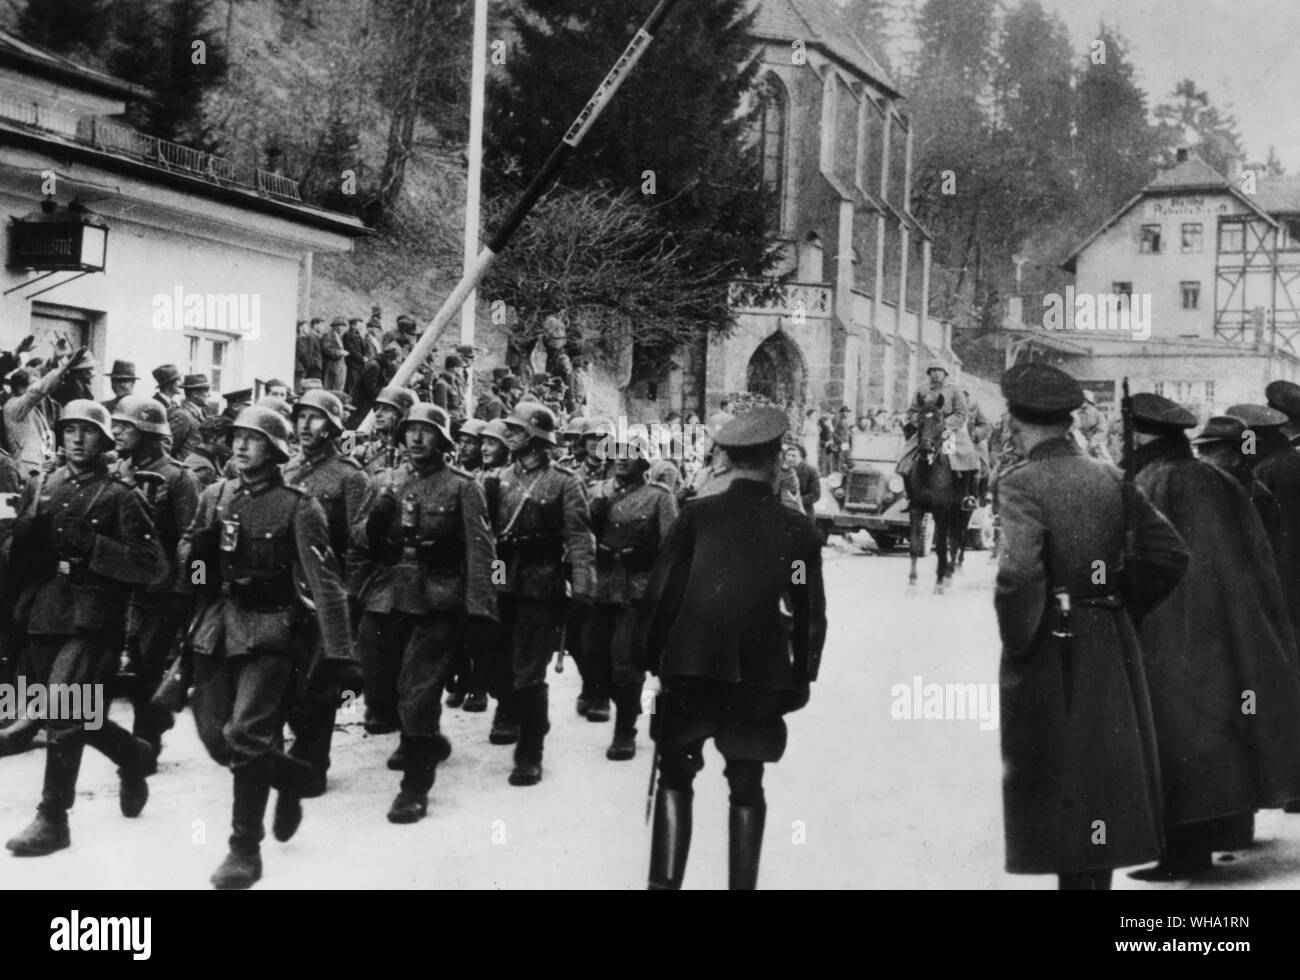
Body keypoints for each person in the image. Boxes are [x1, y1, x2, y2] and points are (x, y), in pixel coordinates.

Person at [993, 366, 1189, 890]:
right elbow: (1169, 554)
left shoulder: (1020, 484)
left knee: (1058, 780)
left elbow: (1017, 574)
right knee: (1098, 778)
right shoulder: (1110, 475)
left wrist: (1018, 641)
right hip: (1109, 639)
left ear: (1018, 424)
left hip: (1051, 643)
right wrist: (1118, 604)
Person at [635, 407, 825, 889]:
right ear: (776, 463)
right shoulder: (797, 531)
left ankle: (664, 885)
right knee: (747, 782)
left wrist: (647, 659)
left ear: (727, 460)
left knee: (675, 776)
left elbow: (662, 594)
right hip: (759, 675)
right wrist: (801, 676)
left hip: (688, 669)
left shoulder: (696, 516)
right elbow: (807, 612)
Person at [1125, 392, 1300, 879]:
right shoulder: (1217, 480)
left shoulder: (1151, 482)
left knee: (1177, 737)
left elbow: (1141, 561)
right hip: (1230, 627)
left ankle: (1180, 855)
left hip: (1172, 632)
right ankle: (1220, 832)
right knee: (1221, 732)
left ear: (1142, 435)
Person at [179, 405, 353, 889]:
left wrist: (341, 654)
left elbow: (327, 584)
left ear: (274, 450)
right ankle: (295, 778)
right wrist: (199, 559)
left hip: (272, 632)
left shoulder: (298, 505)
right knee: (216, 737)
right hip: (217, 627)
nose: (239, 446)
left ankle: (244, 849)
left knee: (246, 736)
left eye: (251, 439)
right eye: (235, 437)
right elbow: (189, 566)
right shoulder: (214, 495)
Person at [4, 400, 168, 857]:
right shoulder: (44, 482)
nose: (77, 439)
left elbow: (153, 566)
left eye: (88, 431)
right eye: (69, 430)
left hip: (92, 618)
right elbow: (20, 554)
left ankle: (53, 818)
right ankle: (133, 756)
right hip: (44, 612)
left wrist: (94, 544)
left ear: (105, 440)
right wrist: (22, 536)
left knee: (60, 709)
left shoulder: (121, 495)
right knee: (78, 715)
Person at [353, 404, 496, 822]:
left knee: (418, 691)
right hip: (387, 594)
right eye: (410, 431)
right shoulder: (383, 481)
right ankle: (425, 738)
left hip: (438, 596)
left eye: (426, 431)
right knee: (378, 687)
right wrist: (376, 522)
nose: (416, 439)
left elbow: (482, 550)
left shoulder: (462, 487)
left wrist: (481, 609)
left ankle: (414, 787)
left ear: (443, 440)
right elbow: (360, 539)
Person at [483, 401, 595, 785]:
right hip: (502, 572)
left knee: (529, 669)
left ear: (537, 438)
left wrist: (582, 586)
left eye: (516, 430)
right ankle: (512, 710)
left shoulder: (564, 482)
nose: (509, 435)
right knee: (494, 661)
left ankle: (529, 751)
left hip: (541, 579)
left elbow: (580, 538)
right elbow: (489, 535)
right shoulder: (498, 478)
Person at [281, 390, 370, 802]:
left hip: (326, 593)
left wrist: (348, 596)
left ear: (333, 427)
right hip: (283, 590)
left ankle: (313, 762)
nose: (304, 425)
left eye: (315, 418)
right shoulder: (286, 469)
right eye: (300, 416)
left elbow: (358, 542)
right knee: (281, 678)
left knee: (317, 684)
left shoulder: (350, 476)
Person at [110, 396, 201, 757]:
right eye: (115, 424)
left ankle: (145, 743)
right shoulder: (116, 472)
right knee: (117, 670)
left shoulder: (179, 478)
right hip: (117, 588)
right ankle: (155, 719)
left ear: (148, 432)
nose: (116, 431)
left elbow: (193, 540)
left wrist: (188, 591)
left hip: (159, 593)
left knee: (145, 669)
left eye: (126, 426)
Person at [584, 433, 677, 761]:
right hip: (603, 586)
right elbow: (579, 536)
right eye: (617, 453)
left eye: (631, 453)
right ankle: (612, 701)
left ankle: (625, 730)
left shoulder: (659, 497)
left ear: (644, 461)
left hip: (637, 590)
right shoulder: (597, 492)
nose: (622, 459)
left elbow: (672, 549)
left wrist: (645, 557)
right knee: (593, 655)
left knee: (625, 662)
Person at [901, 362, 981, 510]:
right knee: (905, 458)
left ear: (945, 373)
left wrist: (944, 425)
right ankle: (911, 496)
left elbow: (961, 413)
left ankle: (966, 495)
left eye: (939, 371)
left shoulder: (954, 390)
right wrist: (921, 421)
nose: (936, 374)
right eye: (933, 371)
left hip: (948, 432)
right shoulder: (922, 389)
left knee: (964, 457)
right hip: (926, 430)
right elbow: (912, 411)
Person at [5, 353, 78, 478]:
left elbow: (47, 437)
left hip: (41, 468)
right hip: (27, 470)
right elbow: (37, 391)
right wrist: (63, 368)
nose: (39, 386)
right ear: (22, 389)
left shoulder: (34, 410)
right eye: (34, 383)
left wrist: (53, 458)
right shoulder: (12, 407)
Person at [357, 386, 416, 479]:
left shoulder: (412, 455)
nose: (378, 414)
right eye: (377, 408)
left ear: (402, 416)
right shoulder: (364, 451)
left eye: (386, 409)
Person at [186, 415, 235, 489]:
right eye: (229, 439)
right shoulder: (204, 468)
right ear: (214, 439)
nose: (233, 444)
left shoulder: (209, 457)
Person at [785, 444, 820, 515]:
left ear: (801, 457)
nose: (790, 458)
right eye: (788, 455)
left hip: (804, 512)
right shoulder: (782, 470)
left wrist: (796, 501)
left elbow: (815, 494)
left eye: (793, 456)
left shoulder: (810, 471)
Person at [321, 317, 348, 393]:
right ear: (336, 327)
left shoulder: (341, 337)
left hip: (341, 367)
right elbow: (326, 350)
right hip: (331, 367)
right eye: (341, 326)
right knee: (330, 389)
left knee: (339, 389)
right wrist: (340, 352)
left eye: (343, 326)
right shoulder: (328, 336)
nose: (343, 328)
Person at [343, 319, 367, 397]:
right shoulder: (347, 335)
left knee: (356, 386)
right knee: (351, 386)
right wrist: (362, 358)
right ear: (353, 325)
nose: (360, 327)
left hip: (359, 365)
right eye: (358, 325)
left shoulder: (358, 335)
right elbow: (352, 350)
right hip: (352, 365)